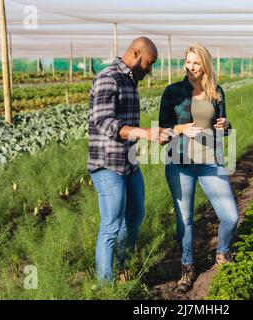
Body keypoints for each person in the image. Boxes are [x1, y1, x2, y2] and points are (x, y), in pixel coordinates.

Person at [88, 36, 172, 284]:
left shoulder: (130, 81)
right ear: (135, 54)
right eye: (149, 63)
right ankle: (106, 284)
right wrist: (146, 133)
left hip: (128, 163)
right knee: (111, 225)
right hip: (107, 164)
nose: (150, 69)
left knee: (135, 215)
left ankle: (124, 268)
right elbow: (103, 123)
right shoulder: (108, 78)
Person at [159, 43, 239, 293]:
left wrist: (226, 125)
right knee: (185, 220)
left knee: (231, 216)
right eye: (188, 62)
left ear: (205, 65)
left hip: (209, 162)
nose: (191, 67)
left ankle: (222, 253)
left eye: (196, 62)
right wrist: (181, 129)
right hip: (179, 164)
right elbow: (162, 130)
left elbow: (224, 128)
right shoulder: (173, 91)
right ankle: (187, 267)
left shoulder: (217, 92)